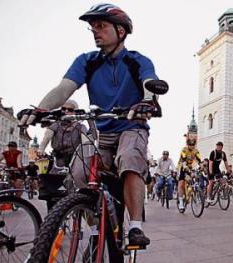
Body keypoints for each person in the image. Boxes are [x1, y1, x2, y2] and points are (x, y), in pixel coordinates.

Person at [20, 4, 159, 247]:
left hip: (131, 126)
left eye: (101, 26)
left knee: (129, 159)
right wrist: (40, 110)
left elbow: (150, 82)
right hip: (101, 131)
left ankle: (135, 227)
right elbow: (64, 88)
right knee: (78, 174)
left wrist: (148, 101)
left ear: (121, 31)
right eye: (93, 27)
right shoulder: (86, 61)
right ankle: (96, 231)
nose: (95, 31)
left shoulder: (138, 61)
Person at [38, 99, 88, 172]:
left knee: (78, 177)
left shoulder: (81, 127)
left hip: (74, 159)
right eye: (63, 109)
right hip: (57, 158)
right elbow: (47, 137)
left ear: (75, 112)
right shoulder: (55, 124)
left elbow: (85, 142)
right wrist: (41, 149)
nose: (66, 111)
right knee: (52, 177)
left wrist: (86, 152)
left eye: (70, 110)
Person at [177, 137, 202, 211]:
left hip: (190, 167)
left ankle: (189, 193)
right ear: (187, 145)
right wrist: (184, 166)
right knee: (181, 183)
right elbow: (183, 159)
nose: (191, 146)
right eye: (190, 145)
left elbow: (199, 160)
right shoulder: (184, 150)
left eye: (193, 145)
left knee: (192, 179)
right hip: (182, 166)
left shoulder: (196, 151)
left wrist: (202, 167)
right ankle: (181, 201)